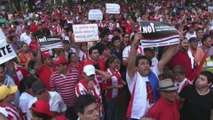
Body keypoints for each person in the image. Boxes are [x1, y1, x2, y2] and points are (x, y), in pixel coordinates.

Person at [126, 33, 178, 120]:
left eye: (147, 63)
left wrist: (175, 41)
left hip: (155, 114)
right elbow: (130, 64)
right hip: (137, 116)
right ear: (136, 68)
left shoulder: (153, 72)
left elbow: (165, 58)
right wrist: (134, 45)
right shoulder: (133, 77)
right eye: (142, 64)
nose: (146, 65)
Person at [50, 55, 80, 120]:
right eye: (56, 66)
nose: (56, 68)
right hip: (63, 107)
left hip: (76, 104)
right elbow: (53, 91)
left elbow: (79, 86)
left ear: (65, 66)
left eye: (58, 66)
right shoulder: (53, 77)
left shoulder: (75, 72)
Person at [103, 56, 126, 120]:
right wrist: (116, 86)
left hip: (117, 96)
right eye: (114, 63)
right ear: (109, 64)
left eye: (117, 63)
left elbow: (119, 79)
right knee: (109, 113)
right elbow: (104, 88)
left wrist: (122, 82)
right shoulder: (106, 73)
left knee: (115, 113)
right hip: (109, 97)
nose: (116, 64)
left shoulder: (116, 70)